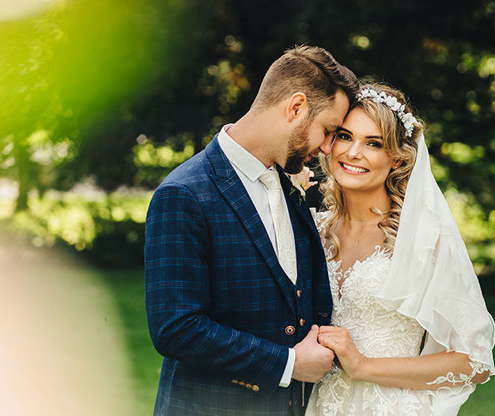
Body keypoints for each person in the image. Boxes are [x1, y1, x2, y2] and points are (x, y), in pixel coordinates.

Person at [145, 45, 359, 415]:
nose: (328, 148)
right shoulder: (184, 194)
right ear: (295, 107)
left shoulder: (289, 180)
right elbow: (176, 328)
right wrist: (288, 364)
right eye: (327, 131)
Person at [305, 83, 495, 416]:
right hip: (315, 404)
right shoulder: (312, 230)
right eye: (345, 136)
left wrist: (363, 366)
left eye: (374, 143)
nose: (353, 152)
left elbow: (474, 360)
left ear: (396, 159)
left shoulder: (424, 239)